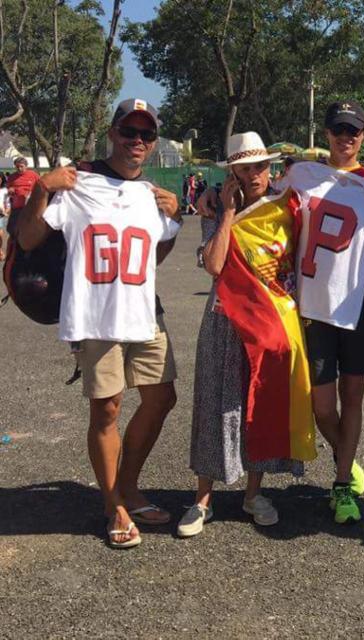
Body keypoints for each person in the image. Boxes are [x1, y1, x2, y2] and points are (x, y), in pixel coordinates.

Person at [14, 98, 182, 548]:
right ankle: (113, 505)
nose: (137, 141)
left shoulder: (152, 195)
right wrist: (42, 189)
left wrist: (176, 217)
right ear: (112, 133)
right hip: (95, 314)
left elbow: (155, 256)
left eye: (146, 134)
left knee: (162, 398)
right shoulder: (78, 184)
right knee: (107, 409)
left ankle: (127, 486)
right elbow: (28, 238)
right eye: (129, 131)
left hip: (144, 312)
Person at [178, 131, 315, 538]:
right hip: (226, 319)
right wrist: (225, 213)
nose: (254, 174)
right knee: (214, 405)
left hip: (272, 320)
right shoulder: (215, 208)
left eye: (260, 166)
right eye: (244, 168)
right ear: (232, 173)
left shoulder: (287, 205)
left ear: (270, 168)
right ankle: (202, 499)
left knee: (261, 404)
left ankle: (254, 494)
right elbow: (214, 265)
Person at [282, 101, 364, 524]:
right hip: (314, 305)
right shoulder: (303, 176)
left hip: (358, 304)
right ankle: (346, 457)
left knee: (353, 397)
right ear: (326, 133)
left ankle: (343, 482)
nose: (346, 137)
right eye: (338, 129)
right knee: (323, 407)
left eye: (353, 130)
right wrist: (217, 198)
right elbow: (265, 203)